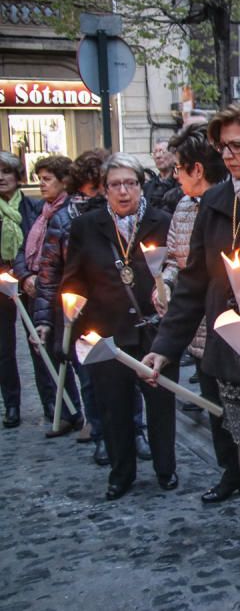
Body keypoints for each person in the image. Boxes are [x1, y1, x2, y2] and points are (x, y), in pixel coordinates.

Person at [143, 100, 240, 574]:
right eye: (224, 147)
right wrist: (164, 347)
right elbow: (195, 283)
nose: (230, 155)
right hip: (229, 344)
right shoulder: (215, 203)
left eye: (238, 145)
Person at [61, 153, 177, 500]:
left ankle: (165, 468)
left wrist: (168, 285)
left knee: (160, 405)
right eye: (115, 185)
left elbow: (175, 267)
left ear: (141, 186)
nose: (123, 191)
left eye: (130, 183)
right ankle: (121, 472)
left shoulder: (162, 220)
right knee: (114, 408)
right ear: (105, 189)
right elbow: (74, 278)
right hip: (107, 332)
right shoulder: (87, 225)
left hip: (152, 330)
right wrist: (73, 302)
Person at [33, 148, 117, 460]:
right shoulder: (66, 219)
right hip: (82, 315)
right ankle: (100, 435)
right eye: (93, 188)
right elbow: (49, 271)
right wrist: (44, 318)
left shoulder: (118, 214)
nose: (98, 195)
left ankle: (133, 433)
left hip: (117, 311)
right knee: (91, 380)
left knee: (127, 381)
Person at [153, 124, 228, 414]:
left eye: (179, 168)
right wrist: (166, 284)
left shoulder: (232, 206)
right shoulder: (183, 207)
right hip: (197, 336)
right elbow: (175, 259)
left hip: (228, 335)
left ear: (197, 169)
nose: (175, 175)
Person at [16, 155, 84, 436]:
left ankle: (86, 416)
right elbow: (25, 249)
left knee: (73, 356)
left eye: (47, 179)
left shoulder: (69, 213)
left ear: (63, 181)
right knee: (49, 354)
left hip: (62, 294)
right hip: (39, 289)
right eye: (40, 179)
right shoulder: (40, 212)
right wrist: (26, 275)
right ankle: (63, 411)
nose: (41, 185)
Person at [0, 151, 41, 428]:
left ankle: (53, 402)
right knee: (4, 348)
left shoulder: (33, 208)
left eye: (6, 172)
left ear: (17, 177)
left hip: (29, 281)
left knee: (38, 341)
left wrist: (28, 275)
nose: (1, 178)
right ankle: (11, 404)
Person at [144, 139, 181, 214]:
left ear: (173, 155)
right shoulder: (148, 186)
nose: (157, 156)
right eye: (154, 153)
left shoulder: (183, 183)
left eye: (162, 152)